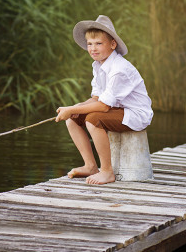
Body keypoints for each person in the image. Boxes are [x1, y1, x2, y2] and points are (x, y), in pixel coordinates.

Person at [55, 15, 153, 185]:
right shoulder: (99, 65)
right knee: (73, 119)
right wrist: (75, 108)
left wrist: (72, 109)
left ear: (112, 44)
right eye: (90, 44)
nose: (93, 48)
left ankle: (107, 171)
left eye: (99, 43)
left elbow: (103, 105)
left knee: (93, 120)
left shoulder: (119, 68)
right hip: (117, 110)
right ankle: (90, 165)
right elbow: (96, 98)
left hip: (135, 114)